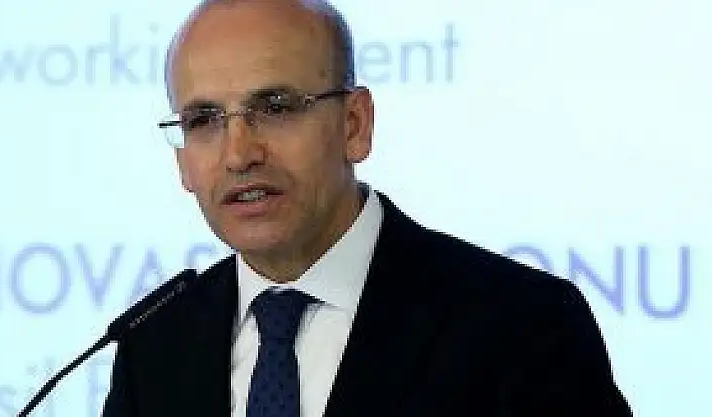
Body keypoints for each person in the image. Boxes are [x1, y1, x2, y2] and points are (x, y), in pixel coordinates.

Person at [101, 0, 633, 416]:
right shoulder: (153, 346)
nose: (239, 154)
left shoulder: (521, 327)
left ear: (355, 125)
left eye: (277, 107)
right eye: (203, 121)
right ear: (183, 163)